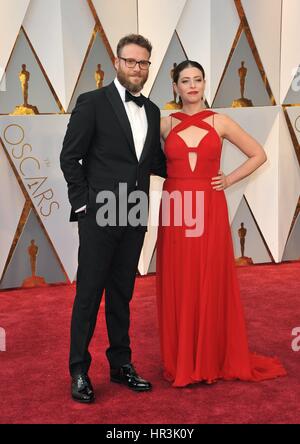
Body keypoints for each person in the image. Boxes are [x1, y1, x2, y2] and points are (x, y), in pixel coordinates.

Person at [156, 60, 286, 387]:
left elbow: (258, 154)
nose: (192, 86)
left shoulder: (221, 121)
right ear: (175, 87)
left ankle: (210, 356)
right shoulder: (164, 124)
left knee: (208, 276)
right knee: (180, 278)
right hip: (176, 207)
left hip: (209, 204)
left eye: (197, 79)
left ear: (204, 83)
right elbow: (139, 156)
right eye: (185, 80)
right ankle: (183, 357)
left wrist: (228, 179)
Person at [60, 34, 167, 403]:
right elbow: (69, 157)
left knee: (123, 294)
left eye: (144, 63)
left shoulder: (152, 111)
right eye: (131, 61)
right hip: (99, 213)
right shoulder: (92, 103)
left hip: (135, 212)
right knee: (89, 294)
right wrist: (83, 205)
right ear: (117, 62)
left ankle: (121, 365)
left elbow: (154, 163)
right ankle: (79, 370)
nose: (138, 68)